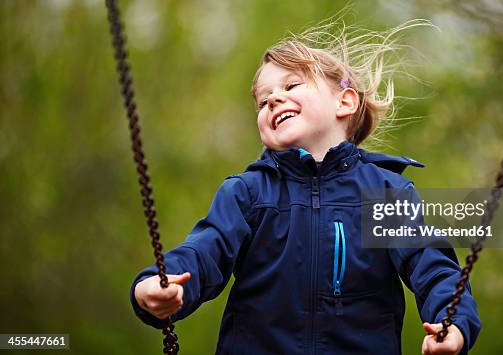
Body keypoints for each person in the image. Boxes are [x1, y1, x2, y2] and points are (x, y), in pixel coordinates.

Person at [130, 20, 481, 355]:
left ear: (344, 102)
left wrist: (454, 323)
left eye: (291, 85)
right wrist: (158, 284)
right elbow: (204, 251)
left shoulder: (386, 193)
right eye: (262, 99)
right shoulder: (248, 193)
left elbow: (431, 266)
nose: (273, 100)